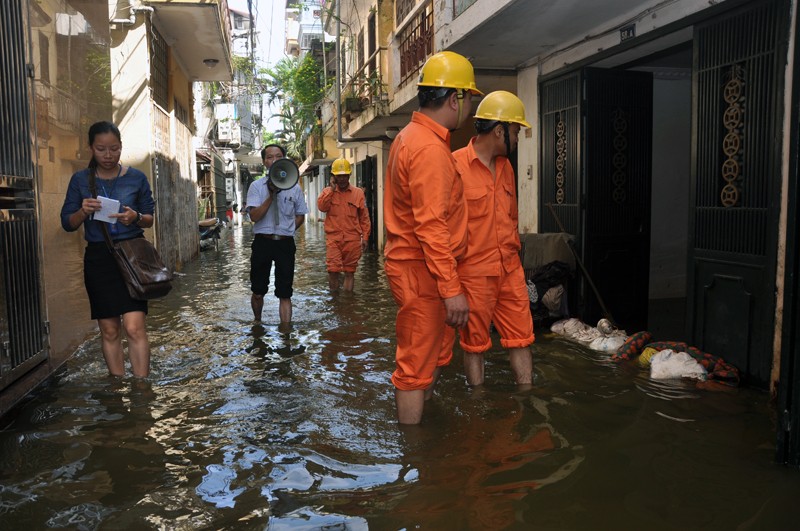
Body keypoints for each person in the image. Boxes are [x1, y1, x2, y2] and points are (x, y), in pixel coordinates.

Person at [383, 51, 483, 424]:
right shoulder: (427, 148)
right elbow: (430, 226)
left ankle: (422, 432)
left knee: (433, 357)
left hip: (424, 270)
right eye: (470, 98)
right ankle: (415, 460)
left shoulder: (416, 139)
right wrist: (451, 288)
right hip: (423, 273)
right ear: (456, 98)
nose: (470, 107)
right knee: (414, 366)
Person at [450, 90, 534, 386]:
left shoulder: (506, 168)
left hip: (510, 269)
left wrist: (515, 262)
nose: (517, 137)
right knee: (475, 345)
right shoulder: (454, 166)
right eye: (515, 130)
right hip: (474, 274)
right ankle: (478, 406)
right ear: (499, 131)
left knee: (522, 338)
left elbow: (511, 217)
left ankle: (527, 399)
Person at [60, 121, 155, 378]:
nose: (108, 155)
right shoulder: (80, 180)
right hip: (99, 259)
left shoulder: (136, 178)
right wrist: (83, 210)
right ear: (91, 148)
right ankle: (117, 385)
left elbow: (149, 218)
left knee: (135, 328)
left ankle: (141, 388)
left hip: (132, 256)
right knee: (110, 329)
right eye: (101, 149)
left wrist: (134, 217)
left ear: (121, 147)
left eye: (114, 148)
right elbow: (67, 223)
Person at [246, 144, 308, 324]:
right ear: (264, 161)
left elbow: (300, 216)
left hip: (285, 244)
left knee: (285, 292)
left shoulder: (294, 187)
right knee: (258, 290)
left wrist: (287, 232)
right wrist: (271, 196)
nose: (274, 160)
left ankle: (286, 331)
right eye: (270, 157)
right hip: (262, 243)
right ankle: (257, 322)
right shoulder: (256, 187)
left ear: (284, 159)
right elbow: (254, 217)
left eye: (278, 156)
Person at [316, 157, 372, 292]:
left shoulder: (358, 193)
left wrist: (365, 238)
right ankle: (335, 303)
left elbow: (364, 218)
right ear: (333, 177)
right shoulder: (327, 192)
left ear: (349, 175)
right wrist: (331, 189)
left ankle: (347, 304)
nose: (342, 179)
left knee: (349, 271)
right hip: (333, 239)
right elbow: (322, 207)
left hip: (352, 239)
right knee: (332, 270)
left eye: (344, 176)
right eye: (338, 176)